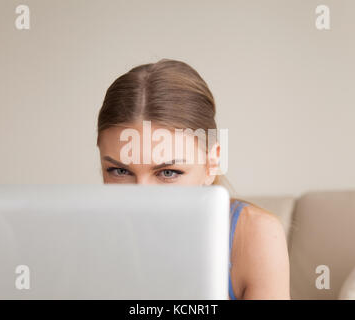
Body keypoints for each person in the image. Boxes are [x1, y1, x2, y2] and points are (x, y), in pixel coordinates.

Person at [96, 58, 290, 299]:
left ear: (211, 164)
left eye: (168, 173)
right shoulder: (84, 237)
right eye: (120, 171)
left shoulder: (253, 235)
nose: (141, 199)